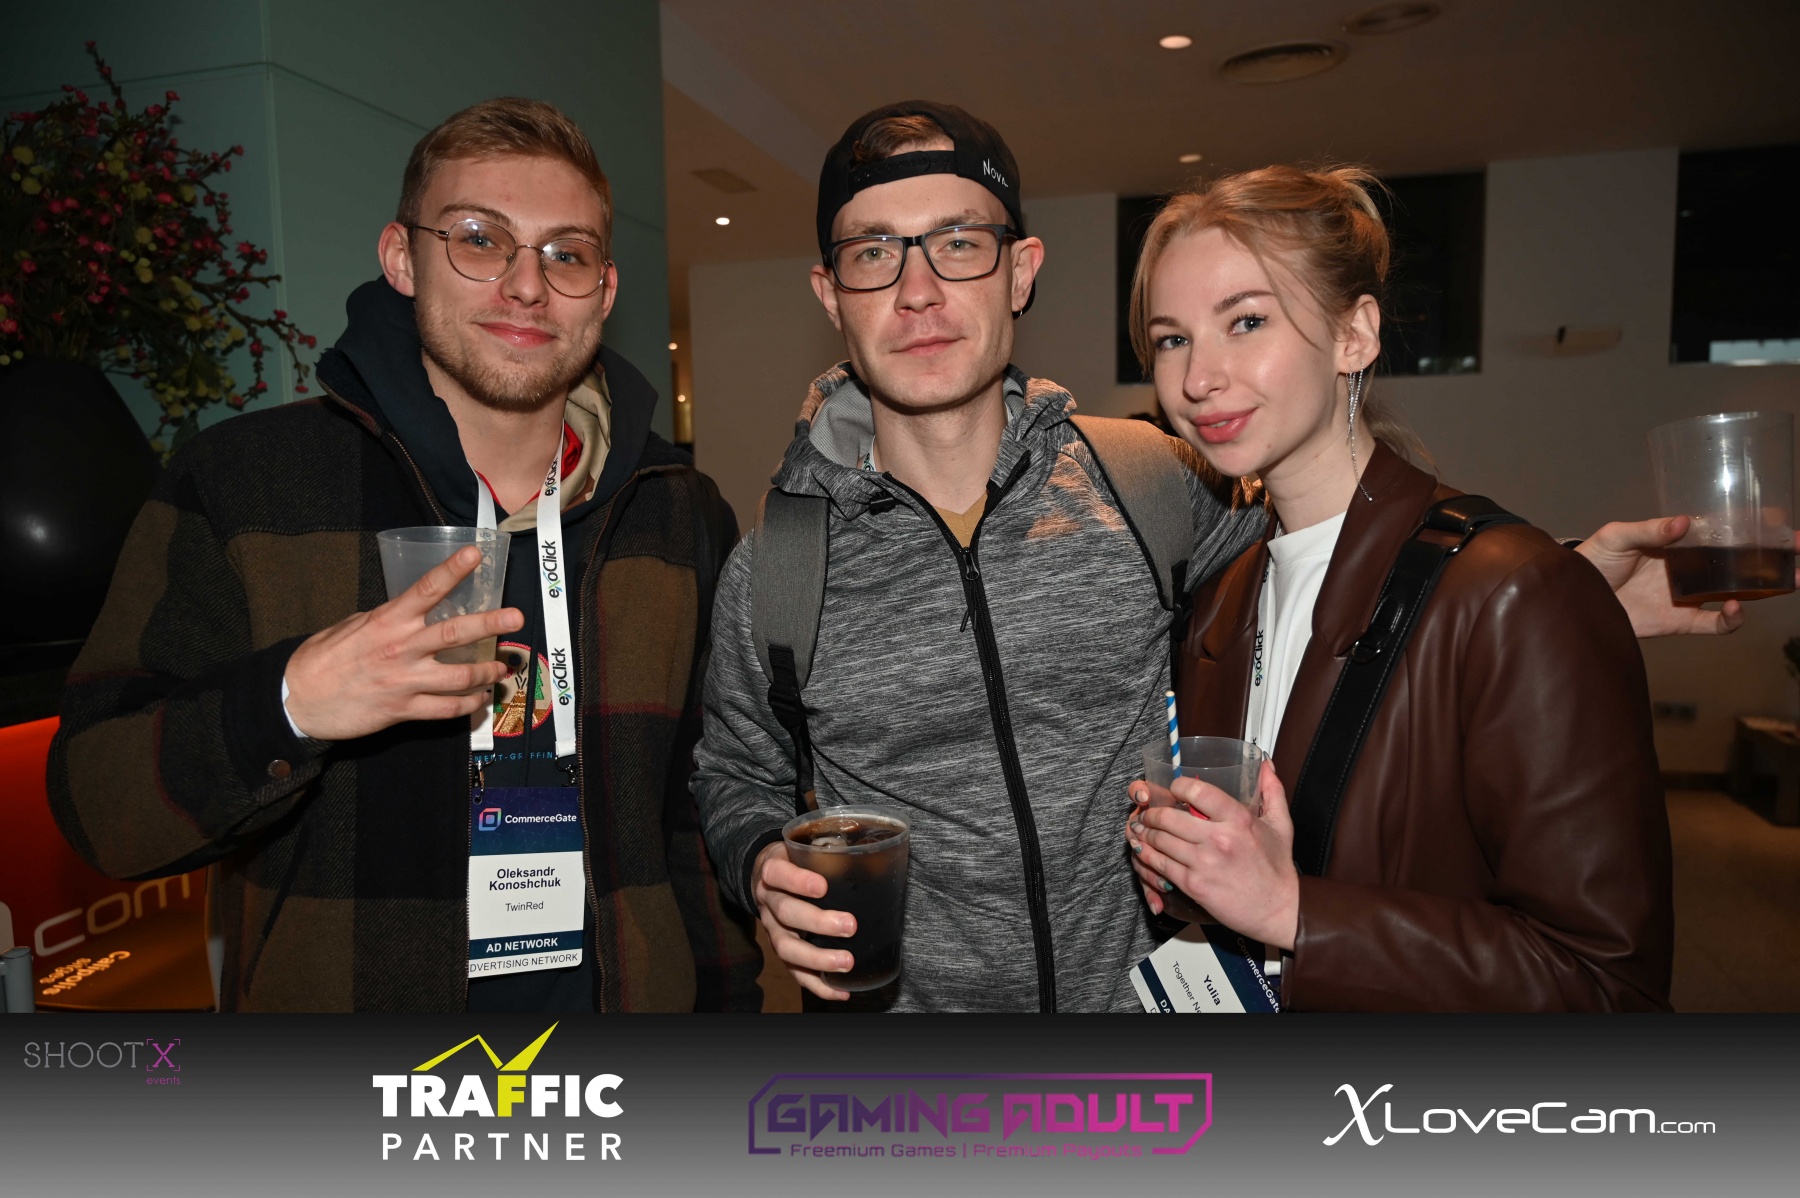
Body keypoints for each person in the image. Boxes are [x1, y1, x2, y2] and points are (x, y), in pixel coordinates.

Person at [692, 103, 1715, 1014]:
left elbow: (1355, 568)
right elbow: (734, 771)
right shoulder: (775, 570)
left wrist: (1549, 590)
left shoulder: (1154, 485)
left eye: (959, 243)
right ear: (830, 292)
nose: (917, 291)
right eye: (874, 253)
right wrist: (761, 860)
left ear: (1022, 271)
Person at [46, 98, 760, 1013]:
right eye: (479, 240)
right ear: (401, 259)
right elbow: (99, 809)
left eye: (565, 254)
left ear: (605, 290)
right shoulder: (248, 487)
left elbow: (696, 819)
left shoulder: (676, 512)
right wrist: (290, 703)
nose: (527, 286)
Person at [1122, 165, 1673, 1010]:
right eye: (1171, 339)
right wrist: (1200, 866)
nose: (1198, 378)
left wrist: (1293, 911)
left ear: (1355, 335)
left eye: (1247, 321)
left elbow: (1608, 982)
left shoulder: (1514, 591)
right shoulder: (1224, 601)